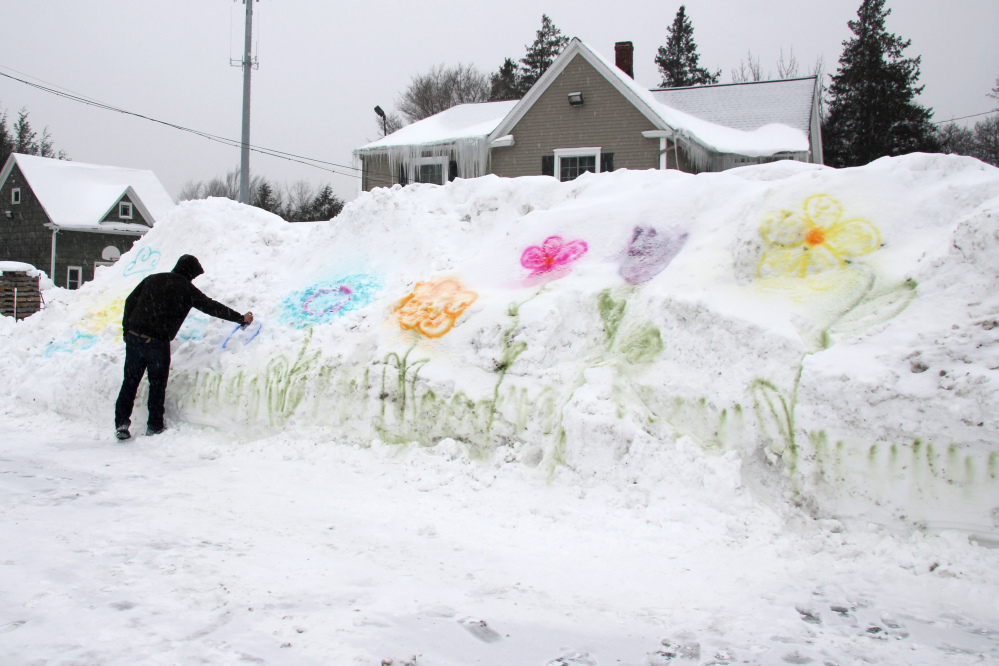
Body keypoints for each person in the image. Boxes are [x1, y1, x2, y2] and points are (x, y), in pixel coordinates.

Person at [114, 254, 252, 440]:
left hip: (135, 339)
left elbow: (129, 302)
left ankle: (122, 423)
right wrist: (240, 318)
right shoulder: (185, 289)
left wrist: (127, 330)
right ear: (190, 273)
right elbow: (210, 307)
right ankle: (154, 426)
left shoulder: (152, 279)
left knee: (129, 382)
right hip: (157, 342)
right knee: (157, 385)